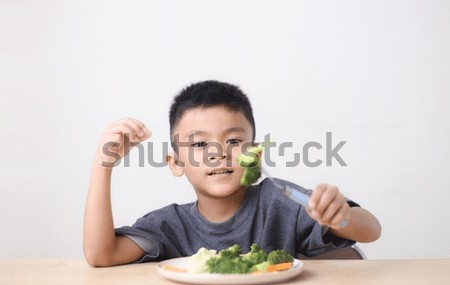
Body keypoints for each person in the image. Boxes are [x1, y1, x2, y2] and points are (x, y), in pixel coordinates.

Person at [83, 80, 381, 267]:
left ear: (256, 154)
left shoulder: (278, 202)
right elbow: (101, 256)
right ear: (176, 163)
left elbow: (371, 230)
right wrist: (102, 165)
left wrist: (340, 215)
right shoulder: (169, 225)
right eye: (200, 143)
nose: (218, 153)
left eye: (234, 141)